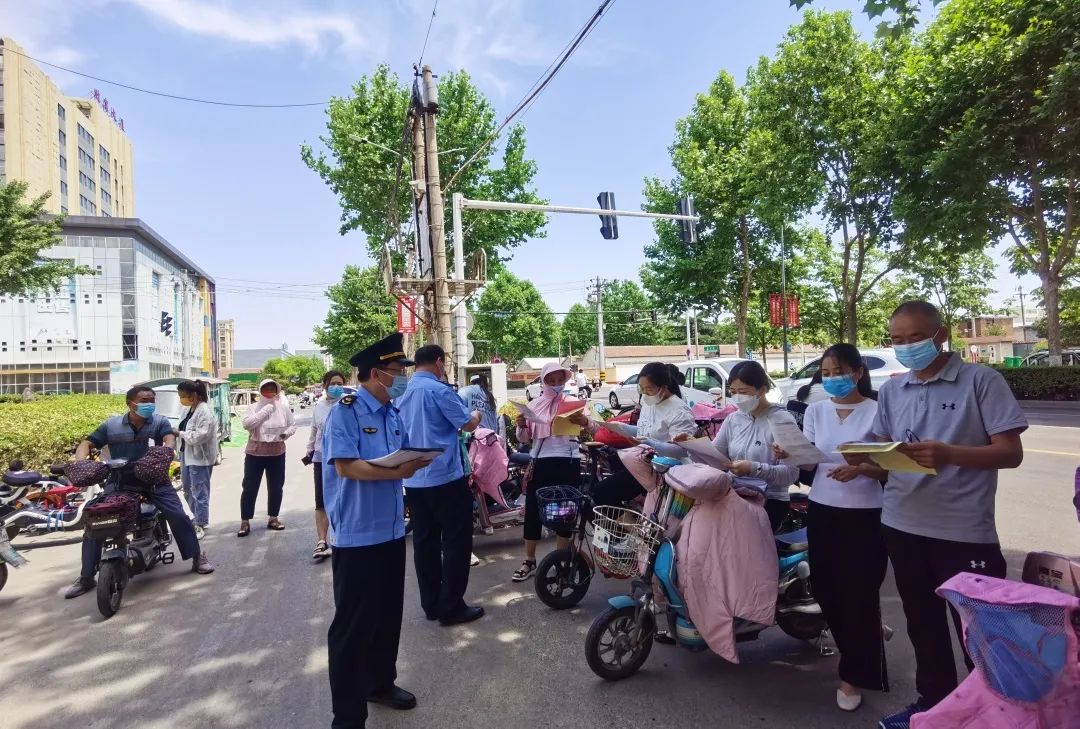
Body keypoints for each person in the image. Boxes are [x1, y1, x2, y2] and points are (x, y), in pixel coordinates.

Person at [868, 301, 1027, 729]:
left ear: (941, 335)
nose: (905, 347)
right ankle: (934, 706)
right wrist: (862, 462)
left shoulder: (981, 380)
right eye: (897, 341)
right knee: (923, 625)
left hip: (963, 533)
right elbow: (885, 450)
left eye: (915, 338)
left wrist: (947, 453)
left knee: (979, 632)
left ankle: (993, 713)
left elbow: (1010, 453)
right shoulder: (892, 390)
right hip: (901, 524)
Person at [773, 344, 890, 712]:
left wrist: (862, 468)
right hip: (822, 511)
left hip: (867, 515)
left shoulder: (878, 411)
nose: (832, 378)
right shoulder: (817, 412)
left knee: (859, 596)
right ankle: (862, 642)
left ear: (857, 372)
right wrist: (789, 454)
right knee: (827, 591)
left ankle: (853, 676)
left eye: (838, 371)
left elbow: (892, 469)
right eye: (825, 372)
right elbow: (811, 465)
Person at [323, 333, 423, 729]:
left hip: (391, 530)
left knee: (387, 614)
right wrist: (399, 472)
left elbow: (395, 455)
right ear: (377, 373)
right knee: (352, 627)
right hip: (357, 535)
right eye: (399, 372)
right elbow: (346, 466)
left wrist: (416, 459)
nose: (402, 379)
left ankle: (380, 682)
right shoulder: (346, 410)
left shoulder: (391, 412)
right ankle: (347, 717)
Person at [64, 386, 215, 599]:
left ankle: (197, 556)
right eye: (144, 400)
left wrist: (164, 452)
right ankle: (86, 577)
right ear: (130, 403)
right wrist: (80, 461)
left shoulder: (160, 422)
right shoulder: (112, 425)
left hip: (154, 480)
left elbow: (168, 440)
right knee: (96, 518)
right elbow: (87, 443)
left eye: (152, 400)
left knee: (177, 514)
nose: (149, 404)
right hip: (120, 481)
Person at [395, 344, 484, 626]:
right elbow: (467, 424)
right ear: (438, 362)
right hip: (445, 477)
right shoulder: (439, 390)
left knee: (425, 543)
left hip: (414, 479)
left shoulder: (401, 392)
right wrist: (478, 416)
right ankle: (452, 606)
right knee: (456, 541)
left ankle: (431, 604)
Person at [582, 362, 698, 509]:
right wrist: (619, 428)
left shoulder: (679, 411)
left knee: (603, 492)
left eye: (649, 389)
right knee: (603, 488)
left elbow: (682, 449)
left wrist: (649, 443)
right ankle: (629, 527)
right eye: (641, 388)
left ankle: (629, 530)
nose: (645, 393)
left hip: (666, 471)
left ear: (664, 387)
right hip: (642, 462)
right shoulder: (648, 402)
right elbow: (644, 430)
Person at [709, 360, 799, 532]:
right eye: (733, 392)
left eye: (743, 392)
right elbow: (714, 456)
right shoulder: (733, 419)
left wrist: (753, 468)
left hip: (770, 499)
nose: (737, 398)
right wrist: (690, 445)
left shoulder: (782, 421)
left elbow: (791, 474)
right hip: (734, 492)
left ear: (762, 390)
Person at [511, 362, 581, 582]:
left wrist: (585, 421)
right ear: (543, 381)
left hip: (569, 460)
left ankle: (560, 560)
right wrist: (521, 425)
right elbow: (524, 439)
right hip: (541, 461)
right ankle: (529, 560)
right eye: (551, 381)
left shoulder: (573, 403)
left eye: (560, 380)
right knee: (533, 509)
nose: (557, 385)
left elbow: (592, 428)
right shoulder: (535, 405)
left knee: (566, 511)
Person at [238, 378, 296, 537]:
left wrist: (286, 434)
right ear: (260, 390)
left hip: (277, 452)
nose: (270, 392)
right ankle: (245, 520)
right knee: (250, 486)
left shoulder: (283, 407)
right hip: (255, 452)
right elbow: (247, 425)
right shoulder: (253, 407)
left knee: (276, 486)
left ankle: (273, 517)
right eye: (266, 389)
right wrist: (266, 410)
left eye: (273, 389)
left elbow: (292, 425)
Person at [306, 370, 346, 561]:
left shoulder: (349, 404)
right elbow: (314, 431)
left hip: (344, 459)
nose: (337, 387)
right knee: (321, 501)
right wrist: (309, 450)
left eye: (340, 383)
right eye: (333, 383)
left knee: (343, 499)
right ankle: (322, 541)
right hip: (321, 459)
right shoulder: (319, 407)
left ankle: (342, 537)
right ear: (325, 386)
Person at [175, 379, 219, 539]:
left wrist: (179, 434)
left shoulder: (204, 411)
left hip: (200, 457)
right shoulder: (188, 410)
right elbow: (183, 429)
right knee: (187, 490)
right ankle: (196, 517)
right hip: (186, 455)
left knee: (200, 491)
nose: (182, 399)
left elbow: (199, 436)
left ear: (194, 395)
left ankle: (200, 522)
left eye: (183, 396)